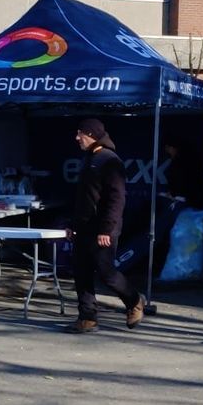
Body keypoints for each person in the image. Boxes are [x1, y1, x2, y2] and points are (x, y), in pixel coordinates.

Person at [66, 118, 152, 333]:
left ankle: (134, 301)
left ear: (92, 135)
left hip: (102, 230)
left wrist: (106, 229)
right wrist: (72, 225)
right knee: (81, 272)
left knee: (107, 273)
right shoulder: (89, 159)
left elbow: (117, 199)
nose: (77, 138)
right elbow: (83, 198)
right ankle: (87, 318)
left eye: (81, 134)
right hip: (83, 228)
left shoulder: (110, 161)